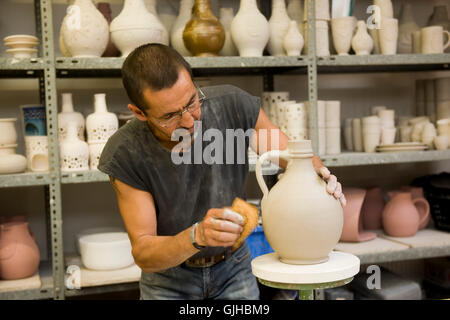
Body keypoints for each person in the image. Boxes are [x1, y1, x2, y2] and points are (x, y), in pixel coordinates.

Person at [98, 44, 346, 300]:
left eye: (192, 102)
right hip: (168, 279)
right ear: (139, 113)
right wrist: (197, 235)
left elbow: (294, 158)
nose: (188, 120)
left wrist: (321, 175)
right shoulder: (124, 152)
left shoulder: (232, 106)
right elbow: (144, 252)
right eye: (170, 116)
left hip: (234, 267)